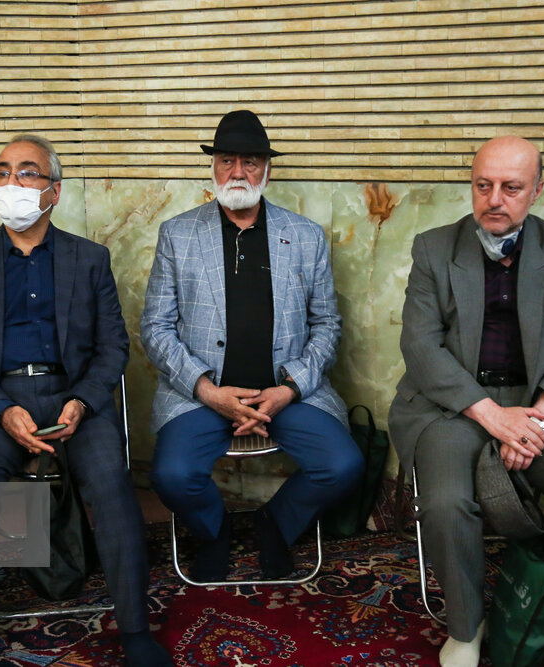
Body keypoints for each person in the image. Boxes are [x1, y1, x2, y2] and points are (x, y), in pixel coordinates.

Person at [387, 136, 544, 667]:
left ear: (537, 191)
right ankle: (465, 628)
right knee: (446, 503)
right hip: (454, 405)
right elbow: (420, 347)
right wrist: (494, 418)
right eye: (483, 185)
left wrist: (538, 420)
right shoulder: (433, 248)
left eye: (511, 188)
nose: (494, 199)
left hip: (542, 404)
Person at [0, 135, 171, 665]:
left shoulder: (90, 259)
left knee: (112, 487)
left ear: (54, 191)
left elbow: (113, 346)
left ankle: (136, 633)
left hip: (72, 397)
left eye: (26, 172)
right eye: (2, 172)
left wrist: (82, 401)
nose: (10, 182)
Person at [140, 110, 363, 582]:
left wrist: (289, 389)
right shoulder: (178, 234)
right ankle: (214, 531)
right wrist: (208, 392)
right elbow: (155, 329)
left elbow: (327, 325)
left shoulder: (305, 236)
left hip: (284, 394)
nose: (237, 172)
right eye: (227, 161)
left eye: (250, 162)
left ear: (267, 169)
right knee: (172, 476)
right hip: (201, 395)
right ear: (213, 167)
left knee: (343, 466)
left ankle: (275, 524)